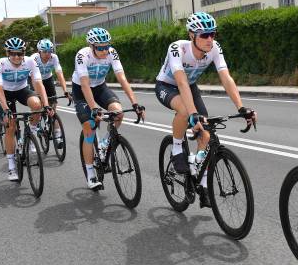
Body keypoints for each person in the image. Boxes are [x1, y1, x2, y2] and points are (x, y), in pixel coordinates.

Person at [155, 11, 257, 208]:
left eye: (213, 34)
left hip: (190, 87)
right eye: (204, 35)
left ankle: (201, 183)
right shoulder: (178, 49)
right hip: (168, 86)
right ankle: (177, 148)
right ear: (192, 35)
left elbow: (226, 78)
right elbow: (181, 82)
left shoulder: (214, 49)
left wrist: (242, 107)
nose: (210, 39)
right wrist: (193, 114)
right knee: (185, 112)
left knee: (206, 133)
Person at [72, 27, 145, 190]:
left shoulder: (112, 52)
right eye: (100, 47)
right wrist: (93, 108)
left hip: (100, 87)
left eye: (106, 46)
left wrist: (135, 103)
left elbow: (122, 78)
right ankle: (91, 174)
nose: (104, 50)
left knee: (118, 113)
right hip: (81, 91)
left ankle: (104, 143)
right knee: (89, 128)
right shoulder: (82, 55)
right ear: (91, 46)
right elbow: (84, 85)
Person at [0, 37, 53, 181]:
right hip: (5, 93)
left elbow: (38, 84)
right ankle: (11, 166)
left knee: (37, 105)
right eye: (12, 53)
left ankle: (31, 131)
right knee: (10, 126)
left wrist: (46, 104)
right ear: (7, 53)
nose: (16, 57)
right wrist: (6, 109)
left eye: (19, 53)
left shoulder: (30, 62)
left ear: (24, 53)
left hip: (22, 90)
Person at [30, 38, 70, 148]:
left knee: (53, 107)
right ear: (39, 52)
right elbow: (34, 80)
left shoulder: (54, 58)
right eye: (45, 51)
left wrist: (65, 90)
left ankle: (57, 133)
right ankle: (34, 127)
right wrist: (41, 96)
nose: (48, 54)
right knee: (37, 105)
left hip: (47, 79)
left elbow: (59, 73)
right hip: (34, 80)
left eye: (50, 51)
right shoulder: (33, 59)